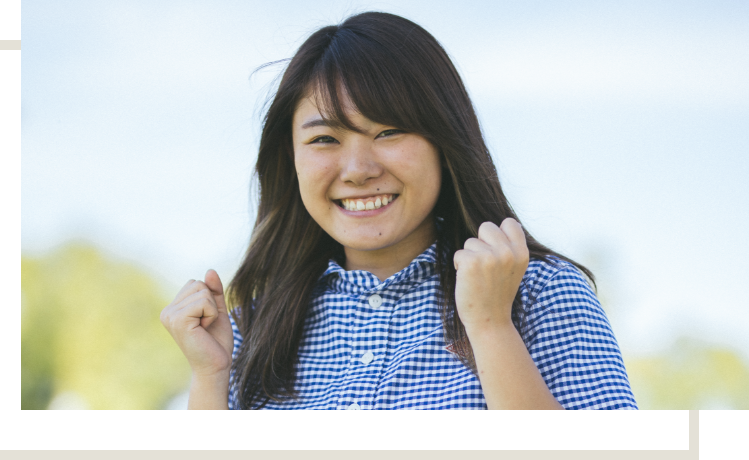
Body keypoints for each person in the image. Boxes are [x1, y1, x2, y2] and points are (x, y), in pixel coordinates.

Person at [160, 11, 638, 410]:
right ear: (290, 160)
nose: (358, 169)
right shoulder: (253, 329)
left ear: (444, 141)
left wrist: (491, 326)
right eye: (324, 139)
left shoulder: (538, 292)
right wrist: (210, 377)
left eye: (388, 132)